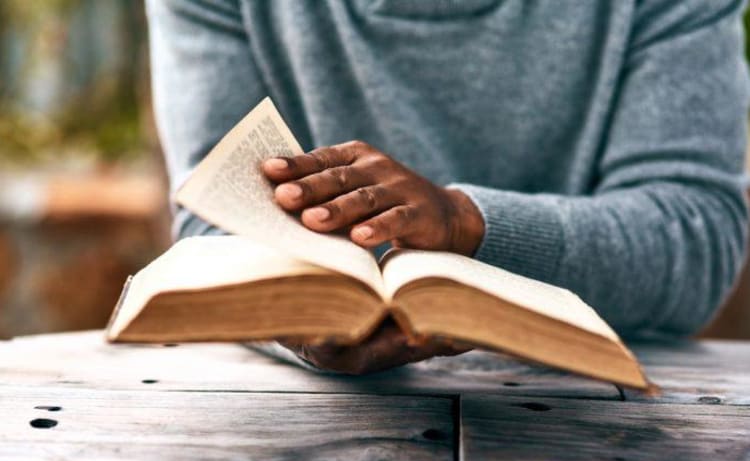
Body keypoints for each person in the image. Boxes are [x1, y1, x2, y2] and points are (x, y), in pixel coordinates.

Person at [146, 0, 750, 373]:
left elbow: (696, 236)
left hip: (603, 424)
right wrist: (297, 317)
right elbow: (213, 223)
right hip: (301, 432)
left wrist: (468, 223)